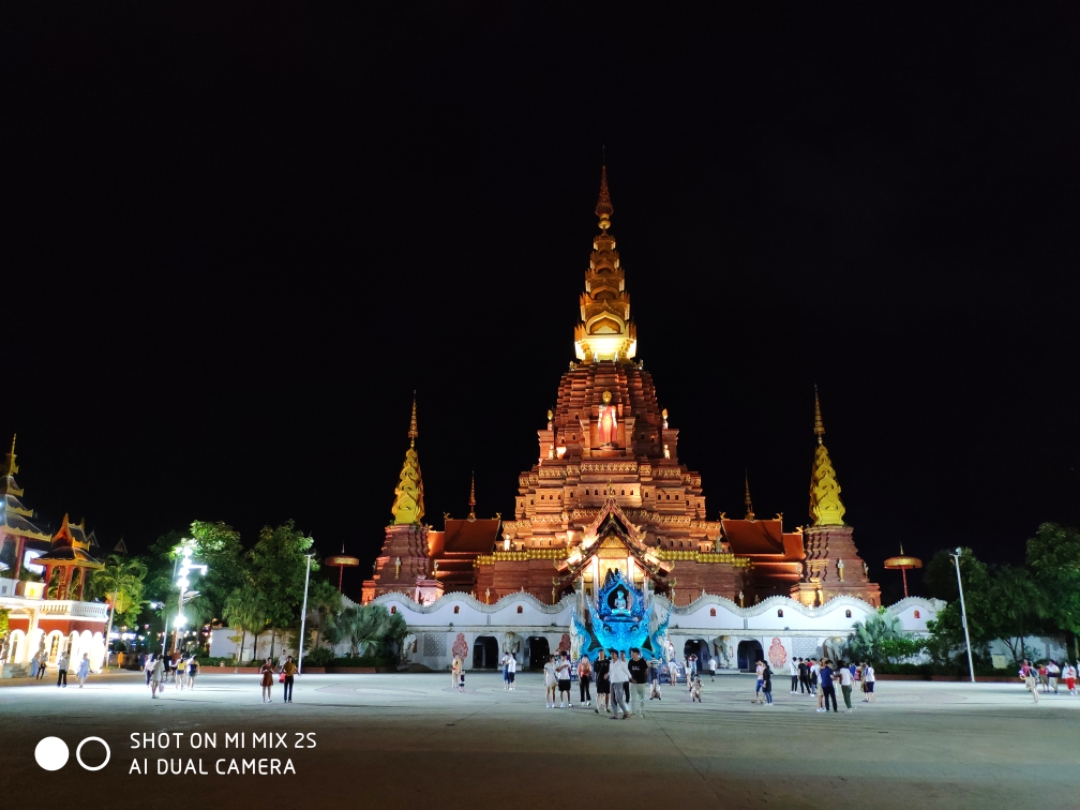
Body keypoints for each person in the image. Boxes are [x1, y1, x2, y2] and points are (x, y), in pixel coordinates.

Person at [627, 648, 649, 718]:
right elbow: (628, 672)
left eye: (633, 653)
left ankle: (642, 712)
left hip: (641, 683)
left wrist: (644, 678)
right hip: (633, 683)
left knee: (642, 698)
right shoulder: (630, 662)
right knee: (632, 698)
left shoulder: (642, 661)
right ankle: (633, 712)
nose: (631, 654)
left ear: (637, 653)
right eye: (631, 653)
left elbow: (646, 670)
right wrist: (631, 679)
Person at [608, 649, 630, 719]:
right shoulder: (611, 663)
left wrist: (630, 678)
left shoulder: (621, 663)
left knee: (618, 699)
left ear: (616, 655)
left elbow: (627, 671)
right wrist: (607, 675)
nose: (612, 655)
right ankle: (615, 715)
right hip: (612, 682)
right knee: (612, 700)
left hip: (619, 682)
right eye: (611, 654)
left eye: (613, 654)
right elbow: (611, 671)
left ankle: (626, 712)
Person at [593, 649, 611, 714]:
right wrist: (596, 681)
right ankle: (597, 708)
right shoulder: (596, 662)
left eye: (602, 653)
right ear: (598, 654)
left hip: (606, 681)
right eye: (600, 653)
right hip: (599, 680)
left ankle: (606, 707)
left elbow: (610, 670)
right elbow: (595, 673)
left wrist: (607, 674)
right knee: (599, 694)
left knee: (607, 694)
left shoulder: (607, 661)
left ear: (604, 654)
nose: (601, 654)